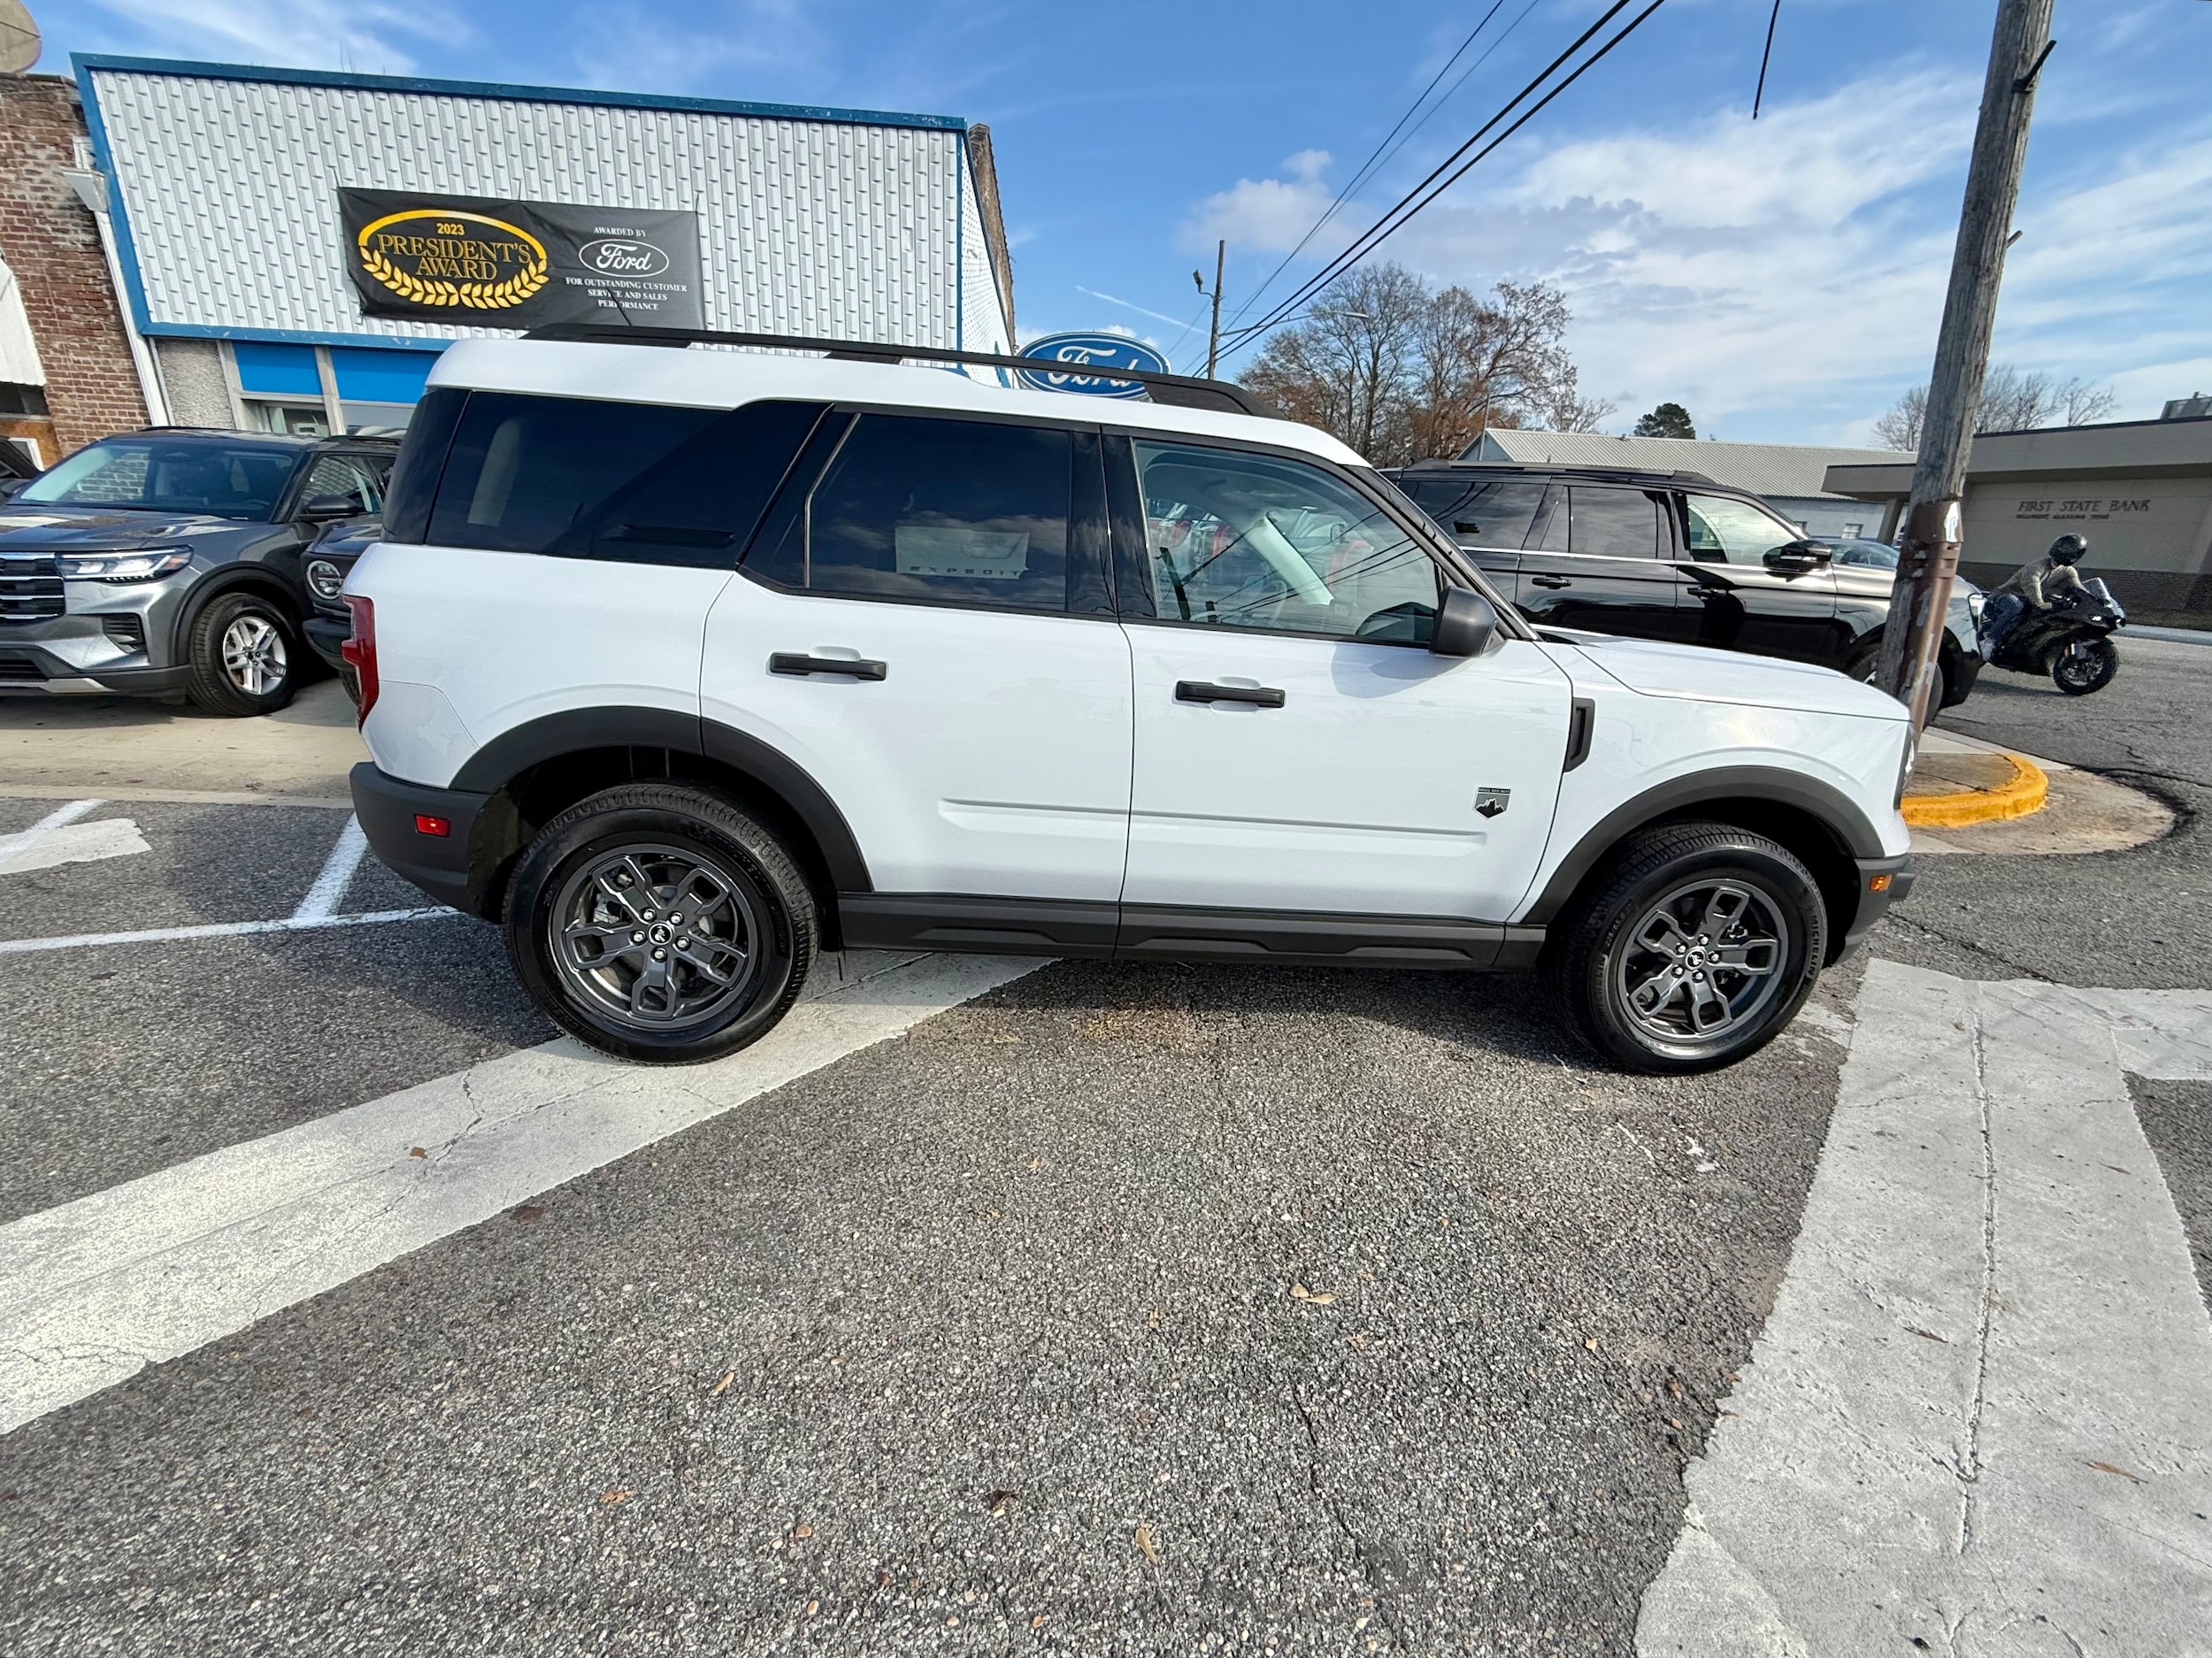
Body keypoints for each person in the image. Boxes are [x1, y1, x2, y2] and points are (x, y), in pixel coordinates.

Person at [1980, 533, 2090, 656]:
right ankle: (1990, 641)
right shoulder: (2037, 566)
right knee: (2015, 606)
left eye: (2074, 551)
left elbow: (2078, 587)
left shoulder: (2067, 571)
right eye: (2068, 549)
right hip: (2008, 594)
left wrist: (2093, 600)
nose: (2071, 553)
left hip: (2030, 600)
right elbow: (2032, 586)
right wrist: (2040, 603)